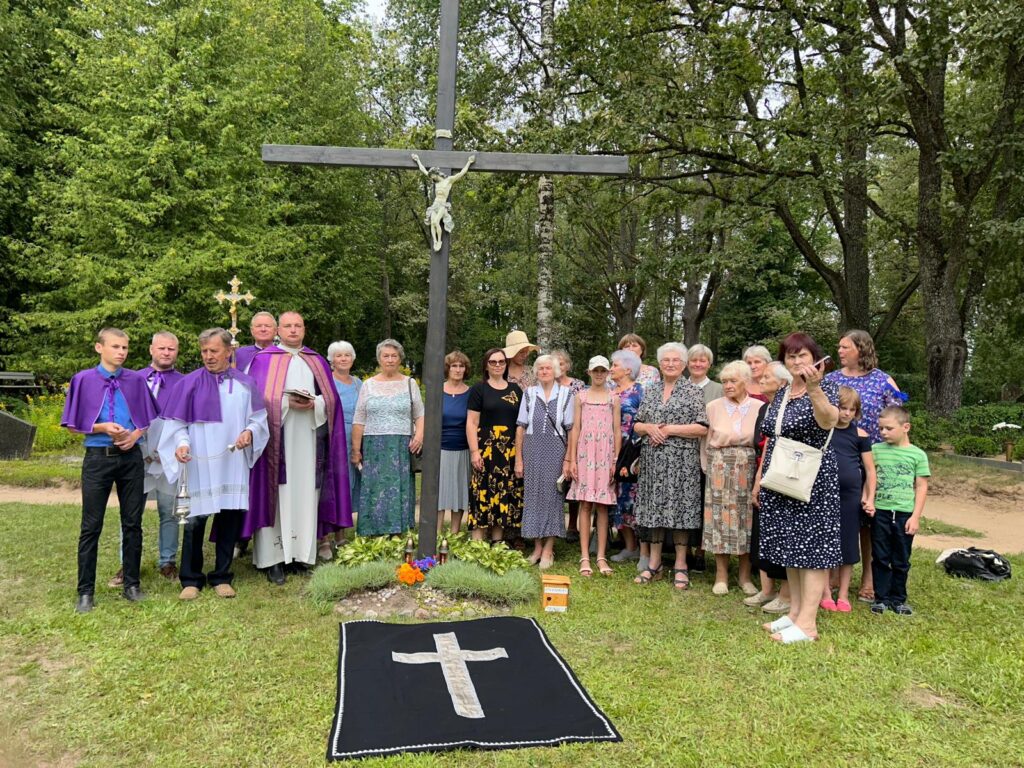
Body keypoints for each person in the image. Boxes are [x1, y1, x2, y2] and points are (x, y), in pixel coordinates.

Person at [157, 328, 270, 600]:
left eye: (214, 351)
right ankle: (191, 579)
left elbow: (258, 419)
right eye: (204, 351)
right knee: (195, 521)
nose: (208, 356)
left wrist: (249, 433)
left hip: (231, 460)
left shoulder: (245, 384)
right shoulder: (189, 383)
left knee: (229, 518)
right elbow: (176, 424)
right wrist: (182, 444)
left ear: (229, 351)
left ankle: (221, 576)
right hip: (199, 462)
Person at [244, 312, 352, 585]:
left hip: (309, 439)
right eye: (288, 326)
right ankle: (274, 559)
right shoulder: (263, 360)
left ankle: (302, 554)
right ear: (278, 330)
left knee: (306, 492)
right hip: (274, 444)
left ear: (304, 329)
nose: (293, 330)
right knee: (276, 495)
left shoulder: (315, 360)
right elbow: (253, 400)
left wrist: (314, 404)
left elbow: (331, 400)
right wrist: (284, 404)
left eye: (298, 326)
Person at [61, 328, 159, 613]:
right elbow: (72, 424)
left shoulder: (136, 380)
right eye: (115, 346)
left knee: (133, 523)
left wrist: (135, 435)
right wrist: (102, 427)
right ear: (99, 348)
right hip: (97, 458)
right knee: (91, 526)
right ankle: (85, 592)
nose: (121, 352)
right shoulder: (83, 380)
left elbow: (148, 418)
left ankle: (132, 585)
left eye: (125, 348)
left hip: (130, 459)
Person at [752, 332, 840, 643]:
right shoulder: (784, 391)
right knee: (790, 547)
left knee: (811, 550)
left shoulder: (826, 387)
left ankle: (808, 624)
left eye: (802, 355)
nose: (796, 361)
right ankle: (794, 613)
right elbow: (771, 437)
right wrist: (760, 481)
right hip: (779, 476)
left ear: (815, 358)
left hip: (810, 478)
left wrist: (814, 389)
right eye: (790, 356)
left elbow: (830, 420)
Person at [825, 329, 902, 603]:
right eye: (839, 346)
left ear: (861, 349)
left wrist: (902, 456)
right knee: (837, 516)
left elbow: (898, 418)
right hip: (838, 454)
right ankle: (832, 575)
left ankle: (868, 577)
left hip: (872, 456)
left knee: (868, 520)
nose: (840, 351)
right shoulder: (830, 380)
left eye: (845, 347)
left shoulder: (883, 381)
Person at [632, 343, 708, 590]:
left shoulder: (693, 391)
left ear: (684, 364)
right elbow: (637, 425)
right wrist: (649, 428)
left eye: (676, 360)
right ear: (660, 364)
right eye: (666, 360)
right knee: (654, 509)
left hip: (682, 462)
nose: (671, 364)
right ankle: (654, 564)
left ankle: (681, 565)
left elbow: (701, 427)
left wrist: (668, 429)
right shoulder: (651, 390)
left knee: (681, 511)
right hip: (652, 461)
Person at [350, 339, 423, 537]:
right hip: (375, 446)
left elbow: (420, 414)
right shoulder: (368, 385)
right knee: (375, 488)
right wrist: (356, 451)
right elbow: (359, 419)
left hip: (401, 445)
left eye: (394, 356)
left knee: (399, 487)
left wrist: (419, 435)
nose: (390, 360)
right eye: (386, 356)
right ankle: (374, 532)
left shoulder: (410, 384)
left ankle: (399, 532)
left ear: (400, 359)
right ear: (379, 359)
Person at [701, 360, 760, 596]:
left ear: (745, 382)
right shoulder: (713, 406)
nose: (727, 385)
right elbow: (704, 441)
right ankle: (721, 576)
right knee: (719, 519)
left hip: (747, 466)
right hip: (718, 466)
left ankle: (745, 577)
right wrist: (707, 467)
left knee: (746, 520)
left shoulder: (758, 406)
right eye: (724, 381)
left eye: (733, 381)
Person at [868, 405, 930, 616]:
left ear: (906, 427)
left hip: (904, 513)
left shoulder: (918, 455)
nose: (883, 432)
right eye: (881, 428)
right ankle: (881, 598)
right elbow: (869, 478)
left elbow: (921, 486)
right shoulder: (875, 450)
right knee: (881, 556)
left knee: (901, 558)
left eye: (888, 428)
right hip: (881, 512)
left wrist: (915, 516)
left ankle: (898, 599)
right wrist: (869, 501)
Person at [820, 386, 877, 613]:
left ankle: (843, 593)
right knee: (824, 543)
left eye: (852, 410)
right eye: (842, 408)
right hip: (823, 496)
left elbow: (871, 471)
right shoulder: (823, 430)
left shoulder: (860, 435)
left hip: (850, 498)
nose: (846, 413)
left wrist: (869, 497)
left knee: (848, 545)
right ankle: (825, 591)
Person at [135, 331, 185, 583]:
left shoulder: (185, 382)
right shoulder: (134, 379)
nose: (166, 353)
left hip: (167, 457)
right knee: (132, 512)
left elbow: (185, 420)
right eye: (162, 348)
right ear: (151, 349)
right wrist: (141, 449)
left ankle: (167, 561)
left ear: (177, 352)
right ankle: (128, 563)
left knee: (169, 511)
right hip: (137, 456)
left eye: (171, 349)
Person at [515, 354, 574, 569]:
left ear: (556, 371)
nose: (544, 371)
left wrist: (569, 458)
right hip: (532, 448)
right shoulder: (529, 394)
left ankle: (549, 548)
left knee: (552, 497)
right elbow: (520, 427)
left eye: (548, 368)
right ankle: (537, 546)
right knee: (533, 496)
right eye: (540, 368)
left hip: (556, 450)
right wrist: (518, 459)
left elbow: (571, 429)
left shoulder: (567, 394)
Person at [566, 356, 621, 576]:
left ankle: (600, 556)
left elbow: (617, 430)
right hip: (585, 453)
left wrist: (615, 460)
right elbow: (575, 428)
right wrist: (571, 459)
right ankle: (584, 556)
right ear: (589, 373)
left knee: (602, 505)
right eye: (595, 370)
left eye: (603, 371)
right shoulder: (581, 396)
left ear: (608, 373)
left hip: (605, 455)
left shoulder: (613, 398)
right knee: (585, 504)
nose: (599, 374)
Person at [745, 361, 793, 612]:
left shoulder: (792, 408)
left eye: (766, 377)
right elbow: (761, 448)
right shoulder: (765, 408)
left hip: (786, 477)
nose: (760, 380)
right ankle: (766, 590)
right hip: (764, 472)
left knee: (783, 535)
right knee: (762, 533)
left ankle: (786, 595)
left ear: (782, 382)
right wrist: (756, 485)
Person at [466, 349, 524, 543]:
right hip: (486, 448)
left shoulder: (516, 390)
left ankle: (497, 543)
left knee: (503, 493)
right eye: (493, 362)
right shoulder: (479, 389)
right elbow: (472, 423)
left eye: (501, 362)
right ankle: (477, 544)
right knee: (481, 492)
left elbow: (520, 424)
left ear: (506, 364)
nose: (497, 365)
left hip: (509, 449)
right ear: (486, 365)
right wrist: (475, 452)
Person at [319, 340, 361, 560]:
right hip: (332, 439)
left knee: (346, 488)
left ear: (353, 358)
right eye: (338, 356)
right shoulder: (326, 382)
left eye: (347, 355)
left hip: (353, 440)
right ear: (331, 360)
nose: (343, 359)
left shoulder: (358, 383)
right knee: (329, 489)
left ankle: (341, 536)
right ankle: (324, 539)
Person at [608, 349, 645, 567]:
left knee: (634, 498)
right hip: (610, 450)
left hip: (633, 453)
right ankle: (629, 547)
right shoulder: (609, 391)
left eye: (615, 365)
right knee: (618, 497)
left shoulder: (640, 392)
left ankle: (643, 549)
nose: (611, 369)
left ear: (628, 369)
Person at [552, 348, 586, 543]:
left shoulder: (578, 385)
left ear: (567, 366)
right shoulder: (545, 384)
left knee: (572, 480)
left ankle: (572, 525)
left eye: (562, 363)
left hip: (574, 435)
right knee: (553, 482)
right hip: (552, 437)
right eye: (555, 364)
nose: (559, 367)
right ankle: (555, 524)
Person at [438, 350, 472, 533]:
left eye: (461, 366)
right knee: (439, 493)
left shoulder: (471, 393)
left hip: (463, 448)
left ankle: (454, 535)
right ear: (447, 368)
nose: (458, 370)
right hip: (440, 449)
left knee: (459, 493)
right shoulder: (437, 391)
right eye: (454, 366)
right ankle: (434, 535)